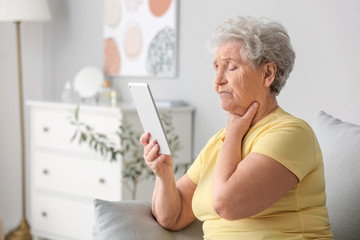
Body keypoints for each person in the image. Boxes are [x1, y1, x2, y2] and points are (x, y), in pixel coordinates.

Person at [140, 16, 333, 239]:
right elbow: (173, 216)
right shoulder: (218, 143)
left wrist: (233, 133)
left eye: (231, 67)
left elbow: (226, 204)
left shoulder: (291, 133)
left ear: (268, 74)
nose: (218, 80)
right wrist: (164, 176)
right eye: (216, 68)